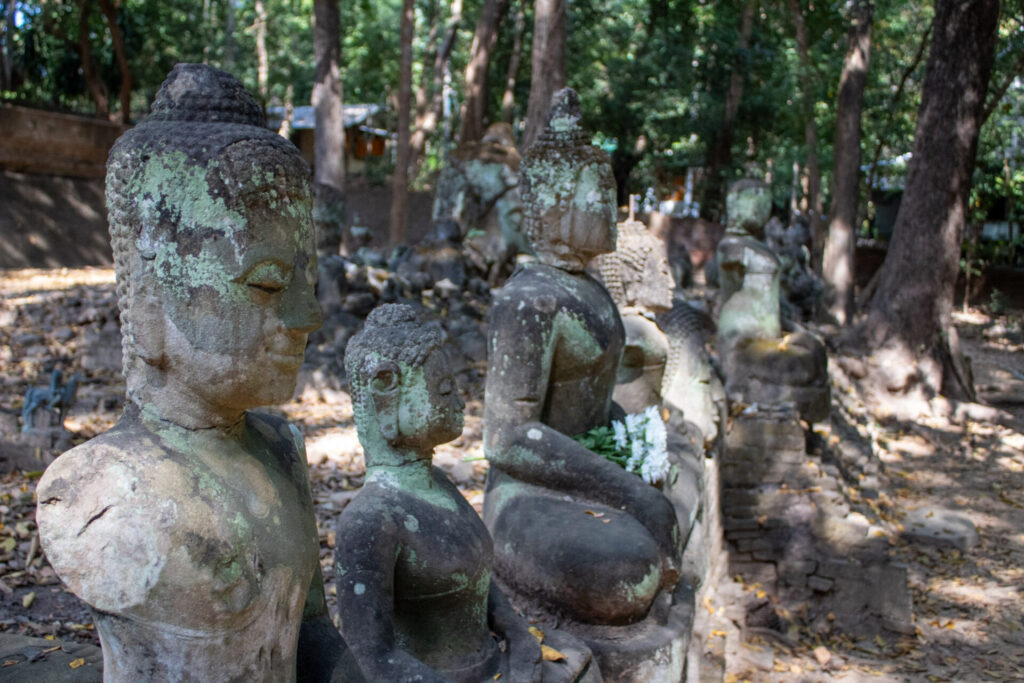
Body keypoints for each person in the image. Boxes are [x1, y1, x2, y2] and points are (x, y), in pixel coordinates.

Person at [36, 64, 347, 682]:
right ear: (151, 300)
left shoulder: (281, 450)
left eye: (305, 283)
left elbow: (313, 643)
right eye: (267, 283)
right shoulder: (99, 490)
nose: (307, 316)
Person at [482, 89, 681, 628]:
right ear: (554, 204)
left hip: (586, 472)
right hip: (529, 489)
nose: (611, 210)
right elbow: (505, 439)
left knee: (672, 497)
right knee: (623, 573)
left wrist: (635, 450)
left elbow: (595, 406)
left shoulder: (591, 291)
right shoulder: (529, 303)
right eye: (600, 193)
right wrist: (624, 487)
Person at [335, 304, 598, 682]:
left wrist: (519, 635)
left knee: (582, 659)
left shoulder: (438, 482)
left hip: (495, 665)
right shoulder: (369, 521)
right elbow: (370, 658)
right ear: (385, 394)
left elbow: (476, 578)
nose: (460, 402)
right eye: (444, 391)